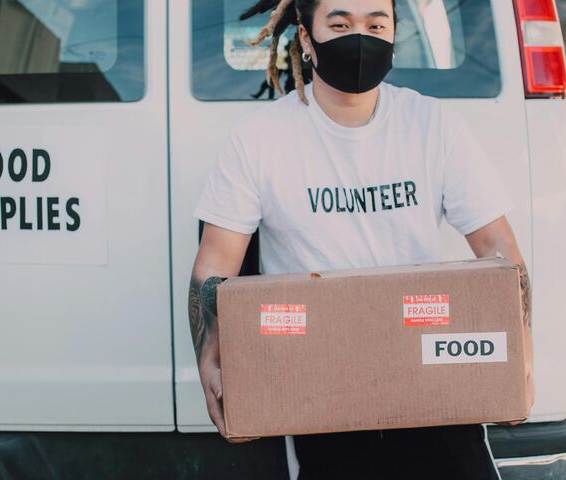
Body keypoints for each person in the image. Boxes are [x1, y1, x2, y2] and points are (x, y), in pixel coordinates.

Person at [188, 0, 535, 478]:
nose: (360, 37)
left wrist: (523, 358)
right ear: (307, 40)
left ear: (394, 35)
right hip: (321, 395)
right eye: (340, 23)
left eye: (376, 24)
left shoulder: (434, 125)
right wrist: (210, 364)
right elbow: (214, 267)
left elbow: (499, 249)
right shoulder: (259, 139)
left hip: (432, 385)